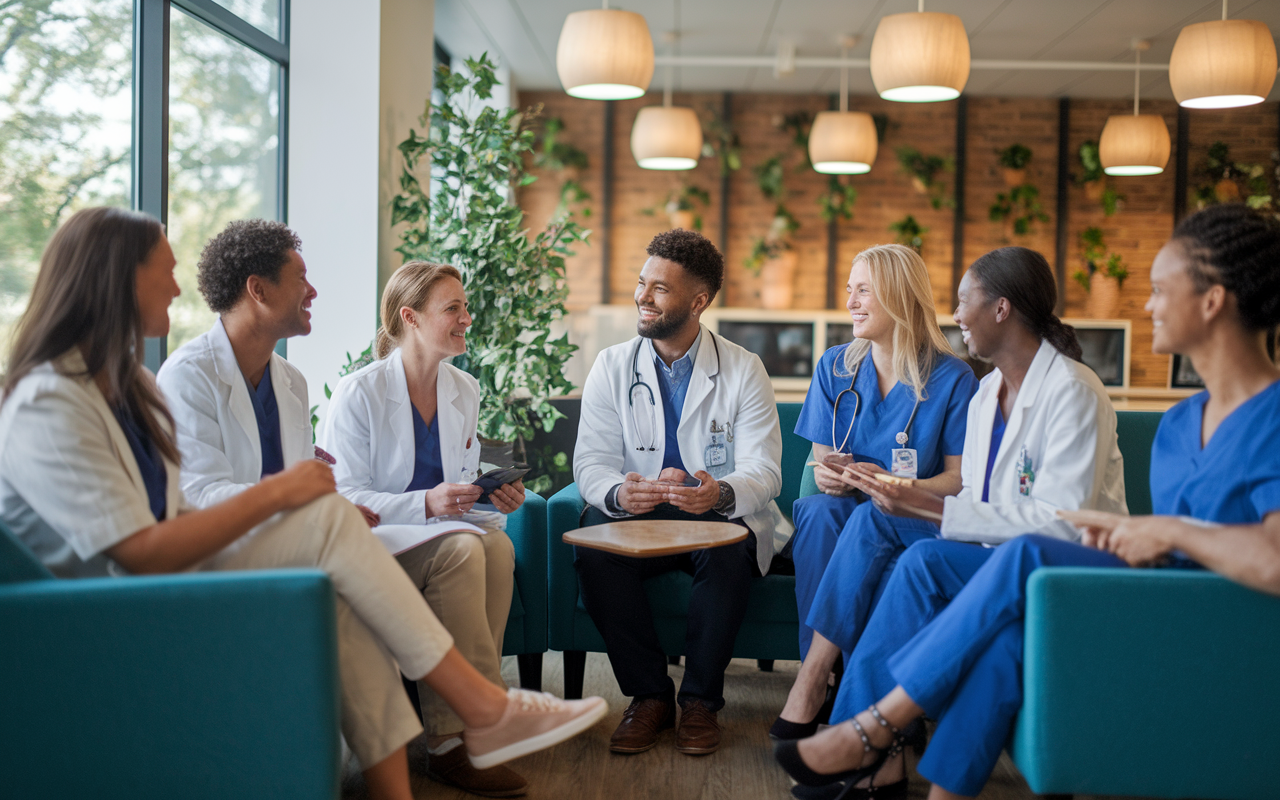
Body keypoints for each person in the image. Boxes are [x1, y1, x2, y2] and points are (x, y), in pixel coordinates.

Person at [0, 207, 607, 800]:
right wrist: (293, 494)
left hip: (170, 566)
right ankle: (484, 706)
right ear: (117, 280)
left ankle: (417, 769)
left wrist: (313, 497)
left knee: (347, 582)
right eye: (165, 269)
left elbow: (171, 507)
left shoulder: (132, 384)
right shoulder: (52, 400)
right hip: (103, 606)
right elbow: (144, 545)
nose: (179, 285)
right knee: (329, 526)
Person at [776, 204, 1280, 800]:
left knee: (970, 561)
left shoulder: (1085, 394)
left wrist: (1168, 531)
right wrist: (918, 505)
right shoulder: (1174, 422)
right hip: (1123, 575)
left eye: (1159, 290)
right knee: (923, 566)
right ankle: (880, 752)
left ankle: (867, 729)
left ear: (1213, 300)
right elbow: (992, 505)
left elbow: (1265, 558)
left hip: (1176, 603)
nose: (1146, 305)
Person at [781, 245, 1127, 797]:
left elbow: (1057, 527)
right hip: (994, 549)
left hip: (1059, 565)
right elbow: (979, 499)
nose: (956, 315)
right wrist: (908, 500)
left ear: (1002, 309)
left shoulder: (1072, 393)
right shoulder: (990, 390)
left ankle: (863, 740)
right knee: (882, 527)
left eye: (965, 302)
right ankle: (861, 737)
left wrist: (923, 502)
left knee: (911, 553)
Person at [573, 228, 789, 756]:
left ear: (699, 301)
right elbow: (591, 462)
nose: (642, 297)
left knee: (729, 551)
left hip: (712, 518)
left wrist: (719, 493)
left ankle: (699, 702)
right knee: (595, 552)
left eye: (659, 289)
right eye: (642, 283)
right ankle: (649, 697)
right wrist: (619, 495)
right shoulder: (611, 365)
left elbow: (765, 469)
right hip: (640, 516)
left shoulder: (743, 368)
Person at [319, 261, 527, 796]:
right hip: (376, 546)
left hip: (441, 536)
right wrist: (426, 504)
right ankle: (453, 740)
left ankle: (471, 717)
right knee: (462, 549)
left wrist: (490, 491)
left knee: (498, 548)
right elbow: (343, 497)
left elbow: (457, 483)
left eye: (465, 306)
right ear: (410, 317)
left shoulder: (463, 388)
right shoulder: (358, 393)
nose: (467, 318)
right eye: (452, 309)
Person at [772, 244, 976, 740]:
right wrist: (829, 474)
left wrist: (897, 487)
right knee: (819, 514)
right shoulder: (835, 366)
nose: (851, 302)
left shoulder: (953, 377)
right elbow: (822, 457)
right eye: (850, 290)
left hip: (914, 518)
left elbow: (958, 480)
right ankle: (820, 680)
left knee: (879, 543)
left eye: (863, 290)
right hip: (846, 510)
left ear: (900, 296)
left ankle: (861, 694)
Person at [156, 220, 373, 525]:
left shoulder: (292, 381)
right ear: (258, 290)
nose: (312, 292)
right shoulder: (187, 376)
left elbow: (300, 494)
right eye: (301, 278)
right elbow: (199, 496)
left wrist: (327, 503)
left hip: (291, 542)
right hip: (224, 550)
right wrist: (306, 502)